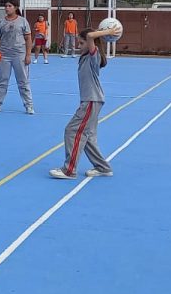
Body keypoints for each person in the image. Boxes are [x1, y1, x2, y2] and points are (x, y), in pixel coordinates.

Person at [49, 25, 120, 180]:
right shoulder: (86, 57)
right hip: (92, 101)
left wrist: (108, 32)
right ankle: (103, 168)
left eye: (81, 43)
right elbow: (89, 38)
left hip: (91, 101)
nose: (78, 46)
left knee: (72, 131)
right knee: (87, 136)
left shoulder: (94, 57)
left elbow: (90, 36)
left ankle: (69, 170)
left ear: (90, 43)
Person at [0, 0, 34, 114]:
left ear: (15, 7)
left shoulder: (23, 21)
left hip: (19, 55)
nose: (7, 8)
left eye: (9, 6)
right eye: (6, 6)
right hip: (4, 55)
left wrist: (28, 55)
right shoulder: (1, 22)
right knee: (2, 80)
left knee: (23, 81)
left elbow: (28, 38)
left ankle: (29, 105)